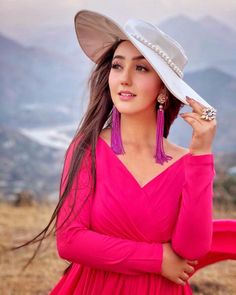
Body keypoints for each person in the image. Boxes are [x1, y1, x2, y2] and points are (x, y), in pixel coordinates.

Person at [46, 10, 236, 295]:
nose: (124, 79)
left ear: (163, 89)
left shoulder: (187, 163)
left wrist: (201, 155)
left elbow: (192, 248)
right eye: (117, 66)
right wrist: (158, 259)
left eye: (142, 68)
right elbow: (70, 241)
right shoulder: (87, 149)